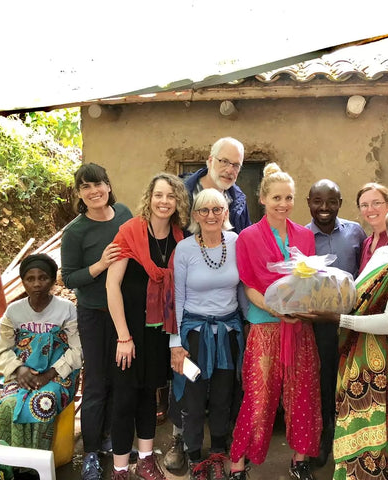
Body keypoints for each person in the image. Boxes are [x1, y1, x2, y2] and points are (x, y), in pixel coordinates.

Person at [299, 186, 388, 480]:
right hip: (365, 365)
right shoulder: (383, 253)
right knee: (361, 444)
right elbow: (358, 293)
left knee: (386, 445)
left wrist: (338, 319)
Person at [229, 163, 322, 480]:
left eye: (289, 198)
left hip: (299, 327)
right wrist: (275, 309)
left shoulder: (305, 237)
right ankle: (239, 462)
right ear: (263, 199)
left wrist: (301, 307)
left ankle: (300, 459)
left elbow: (307, 282)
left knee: (303, 393)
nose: (283, 204)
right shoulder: (248, 238)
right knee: (259, 396)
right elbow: (249, 285)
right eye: (277, 197)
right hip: (265, 326)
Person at [164, 136, 252, 472]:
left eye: (218, 209)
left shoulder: (236, 240)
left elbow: (244, 288)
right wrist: (175, 343)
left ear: (228, 211)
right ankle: (193, 454)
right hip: (194, 333)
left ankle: (218, 451)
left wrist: (253, 323)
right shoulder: (185, 248)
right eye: (205, 209)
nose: (211, 214)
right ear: (194, 213)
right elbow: (177, 299)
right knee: (191, 394)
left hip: (228, 331)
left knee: (223, 395)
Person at [105, 173, 189, 480]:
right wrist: (123, 336)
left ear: (178, 202)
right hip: (128, 330)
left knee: (149, 397)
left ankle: (146, 460)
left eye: (171, 196)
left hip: (158, 331)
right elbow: (112, 285)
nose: (164, 201)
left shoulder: (180, 238)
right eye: (159, 195)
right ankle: (119, 468)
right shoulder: (130, 232)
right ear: (149, 198)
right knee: (125, 398)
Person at [61, 163, 133, 480]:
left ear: (108, 185)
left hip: (125, 313)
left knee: (122, 382)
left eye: (99, 184)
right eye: (86, 187)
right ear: (79, 193)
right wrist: (100, 264)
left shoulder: (123, 214)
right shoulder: (75, 231)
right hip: (92, 315)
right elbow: (69, 277)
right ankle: (90, 452)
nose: (94, 191)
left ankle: (112, 441)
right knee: (96, 385)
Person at [0, 254, 82, 458]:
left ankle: (35, 467)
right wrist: (19, 369)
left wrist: (50, 374)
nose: (36, 284)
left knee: (44, 401)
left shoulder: (66, 309)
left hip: (60, 375)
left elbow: (77, 350)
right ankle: (9, 465)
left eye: (43, 278)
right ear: (23, 281)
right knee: (7, 405)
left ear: (52, 280)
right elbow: (1, 351)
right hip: (23, 374)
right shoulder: (14, 312)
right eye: (30, 279)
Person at [305, 179, 366, 467]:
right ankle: (325, 438)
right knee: (325, 381)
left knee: (355, 380)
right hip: (320, 325)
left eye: (331, 201)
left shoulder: (356, 232)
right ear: (309, 203)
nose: (324, 208)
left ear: (340, 203)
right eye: (318, 201)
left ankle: (353, 440)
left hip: (355, 321)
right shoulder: (303, 237)